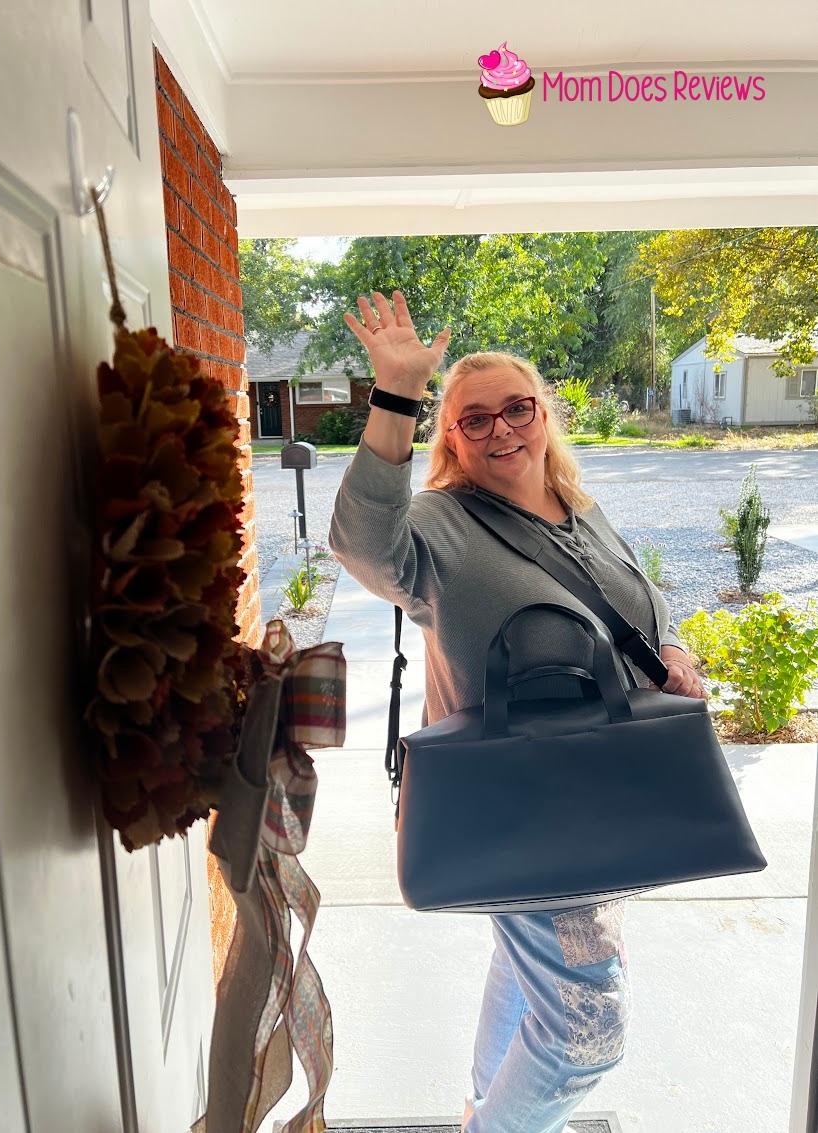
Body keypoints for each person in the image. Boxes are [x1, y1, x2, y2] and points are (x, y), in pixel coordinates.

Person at [328, 290, 706, 1133]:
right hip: (528, 810)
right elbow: (361, 542)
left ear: (543, 413)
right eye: (474, 419)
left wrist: (673, 647)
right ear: (451, 439)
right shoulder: (442, 526)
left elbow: (641, 605)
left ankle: (487, 1106)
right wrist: (397, 392)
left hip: (602, 800)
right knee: (585, 1037)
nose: (501, 429)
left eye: (517, 408)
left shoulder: (580, 509)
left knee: (525, 971)